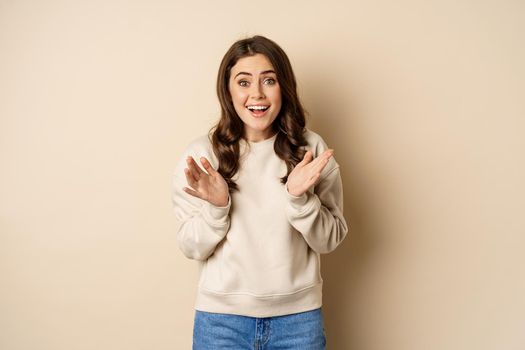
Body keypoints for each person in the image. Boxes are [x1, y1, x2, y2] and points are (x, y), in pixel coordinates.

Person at [171, 35, 348, 350]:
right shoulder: (203, 156)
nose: (256, 94)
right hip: (221, 323)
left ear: (285, 88)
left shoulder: (310, 150)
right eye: (243, 82)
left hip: (298, 321)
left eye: (269, 81)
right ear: (227, 90)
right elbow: (190, 246)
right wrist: (217, 207)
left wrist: (301, 199)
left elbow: (329, 239)